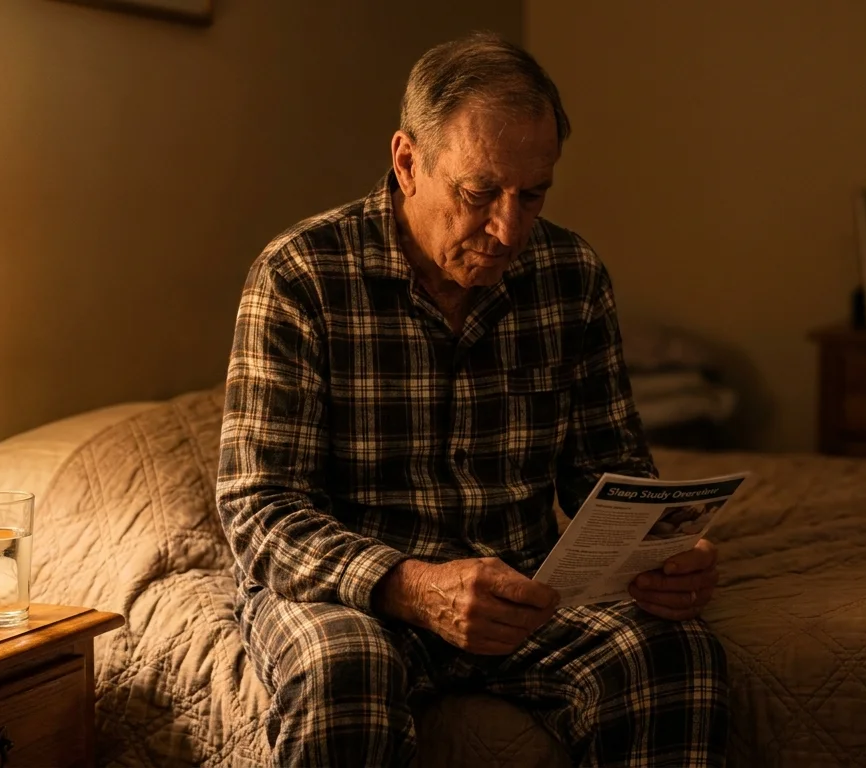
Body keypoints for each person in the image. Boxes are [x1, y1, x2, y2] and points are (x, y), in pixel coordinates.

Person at [217, 32, 727, 768]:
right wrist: (413, 587)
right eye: (479, 193)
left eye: (533, 194)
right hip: (349, 595)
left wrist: (667, 549)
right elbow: (259, 512)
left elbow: (610, 475)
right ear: (406, 162)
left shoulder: (570, 274)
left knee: (674, 657)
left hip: (522, 583)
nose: (509, 229)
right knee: (343, 677)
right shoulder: (301, 277)